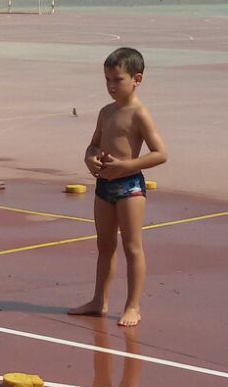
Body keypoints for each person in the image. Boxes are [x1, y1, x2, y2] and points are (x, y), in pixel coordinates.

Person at [68, 47, 168, 328]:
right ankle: (99, 300)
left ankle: (133, 305)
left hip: (129, 187)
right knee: (105, 245)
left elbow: (160, 153)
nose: (111, 86)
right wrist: (89, 157)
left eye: (118, 80)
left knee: (132, 246)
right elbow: (94, 144)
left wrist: (126, 166)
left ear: (137, 79)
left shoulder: (139, 114)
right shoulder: (106, 112)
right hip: (104, 186)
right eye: (107, 80)